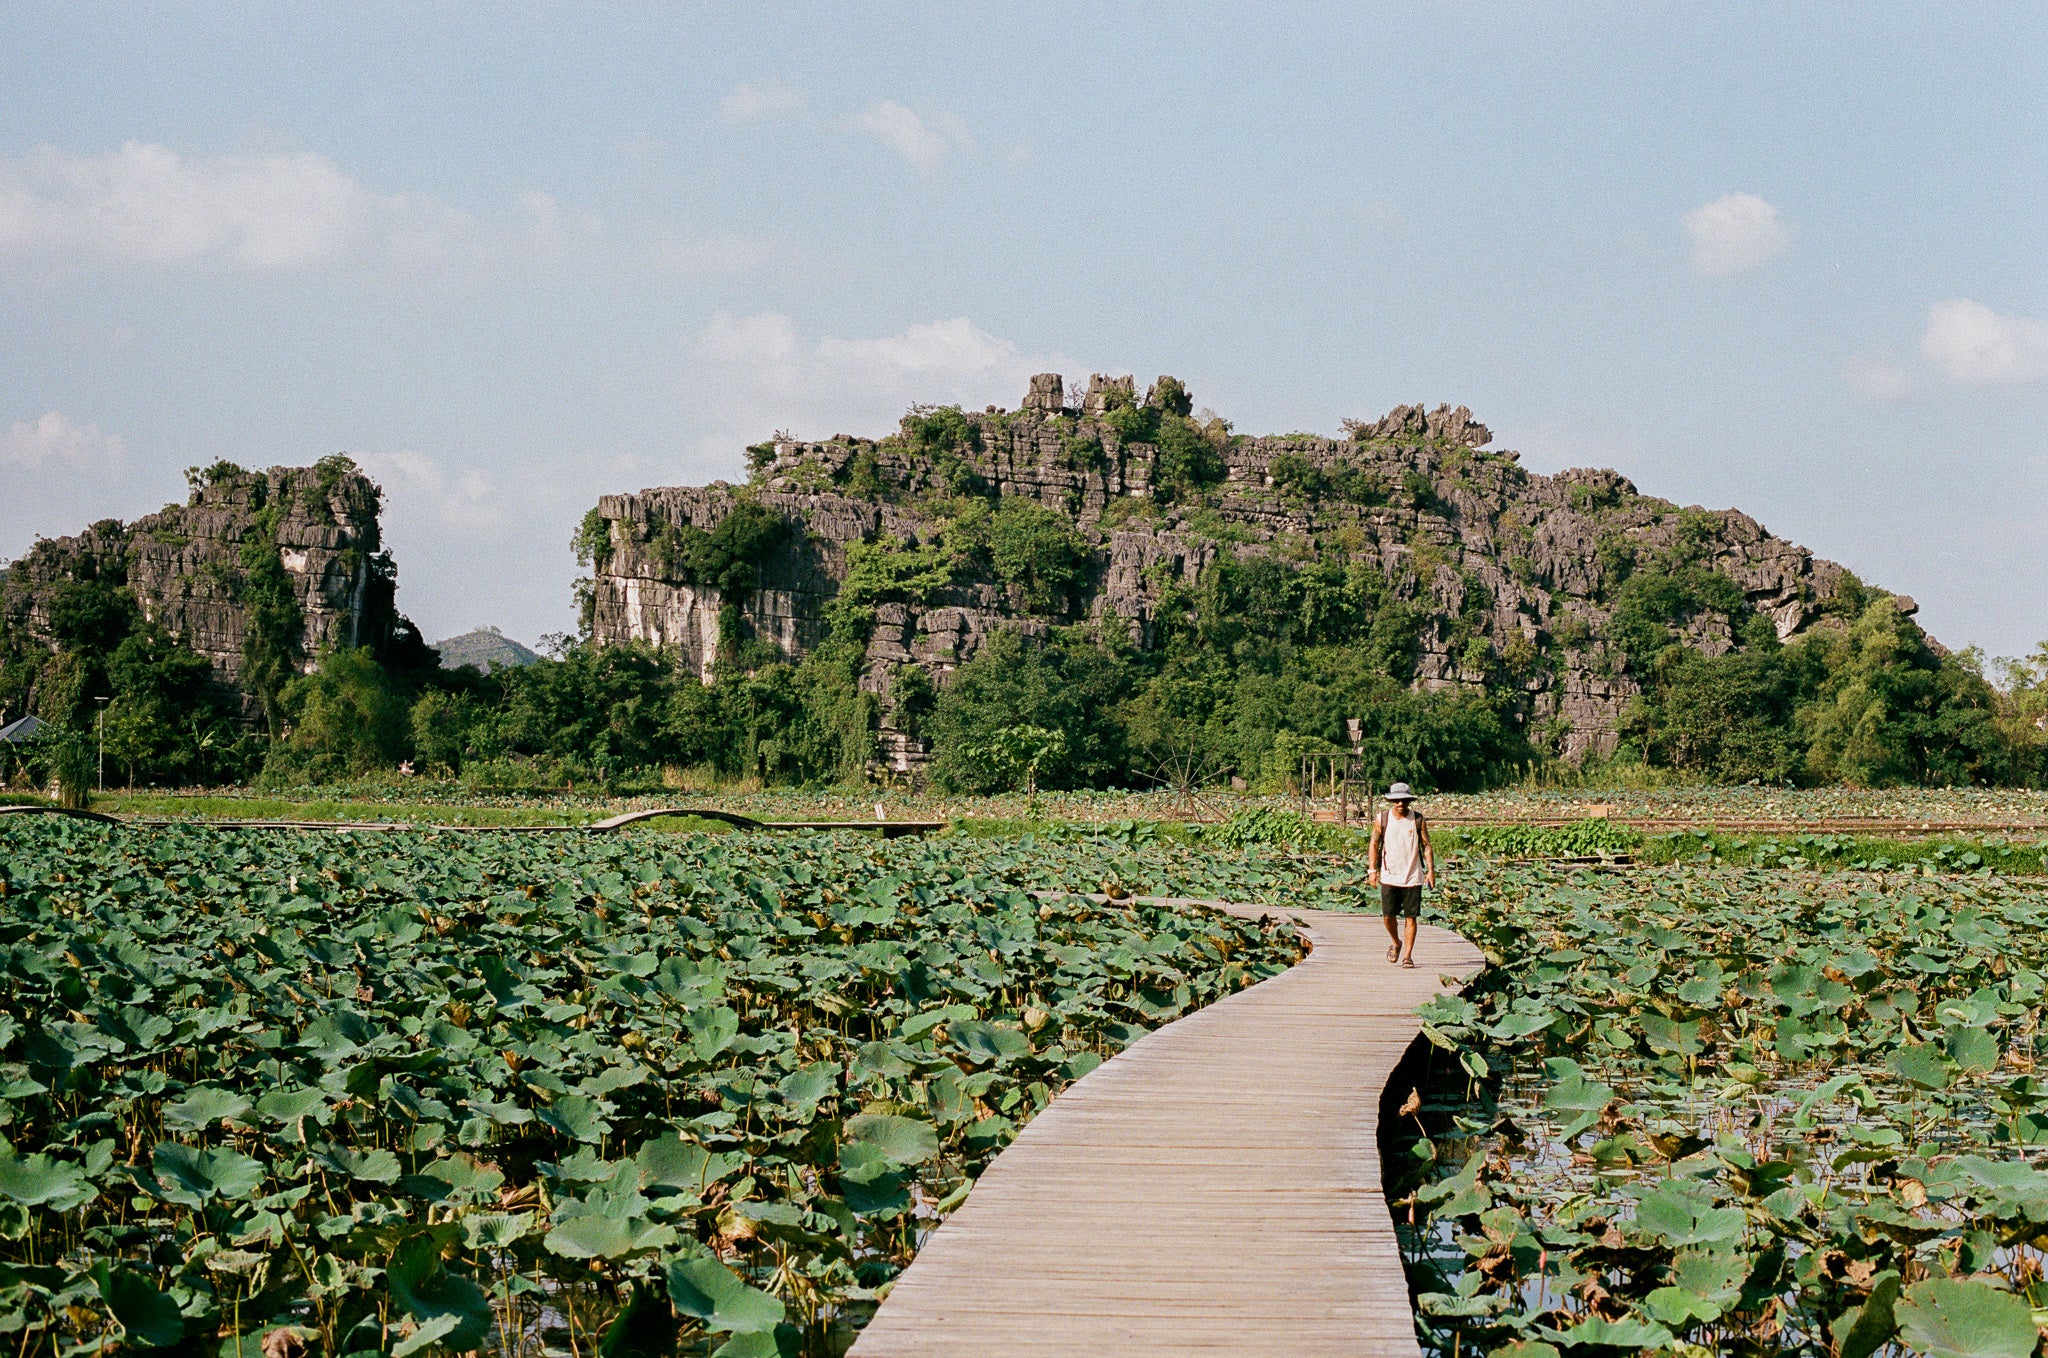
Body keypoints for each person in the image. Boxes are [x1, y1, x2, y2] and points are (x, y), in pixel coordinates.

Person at [1368, 781, 1435, 968]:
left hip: (1413, 875)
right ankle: (1396, 942)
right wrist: (1372, 870)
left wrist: (1430, 871)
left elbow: (1426, 846)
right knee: (1388, 916)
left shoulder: (1418, 819)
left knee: (1411, 917)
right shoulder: (1382, 819)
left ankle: (1407, 955)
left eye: (1404, 800)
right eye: (1397, 800)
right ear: (1391, 801)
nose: (1400, 804)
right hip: (1389, 874)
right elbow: (1373, 844)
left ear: (1409, 801)